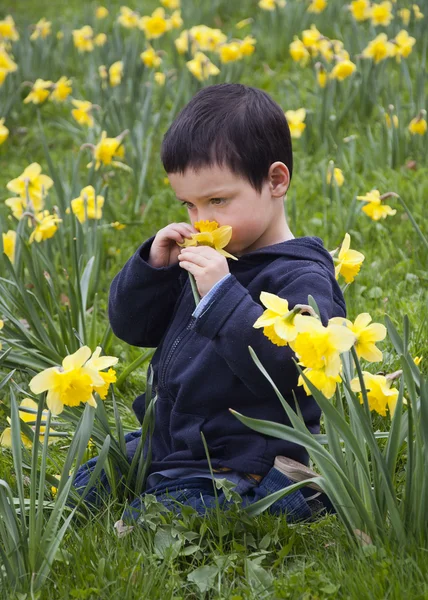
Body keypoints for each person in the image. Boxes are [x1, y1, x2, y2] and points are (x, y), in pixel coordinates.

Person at [74, 83, 345, 521]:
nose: (202, 221)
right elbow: (133, 328)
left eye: (217, 200)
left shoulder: (302, 277)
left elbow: (292, 372)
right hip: (173, 439)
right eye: (189, 205)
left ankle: (294, 488)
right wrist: (154, 269)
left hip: (245, 459)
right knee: (81, 490)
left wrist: (223, 297)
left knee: (153, 521)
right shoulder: (216, 257)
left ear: (276, 181)